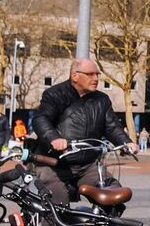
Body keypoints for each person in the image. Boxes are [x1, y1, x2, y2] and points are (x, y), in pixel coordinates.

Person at [32, 58, 135, 205]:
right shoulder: (54, 94)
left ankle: (102, 220)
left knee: (113, 195)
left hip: (88, 165)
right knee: (57, 204)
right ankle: (49, 220)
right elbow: (41, 119)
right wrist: (54, 138)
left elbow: (112, 127)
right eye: (90, 74)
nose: (96, 78)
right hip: (55, 163)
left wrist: (126, 143)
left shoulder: (102, 100)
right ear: (75, 76)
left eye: (97, 74)